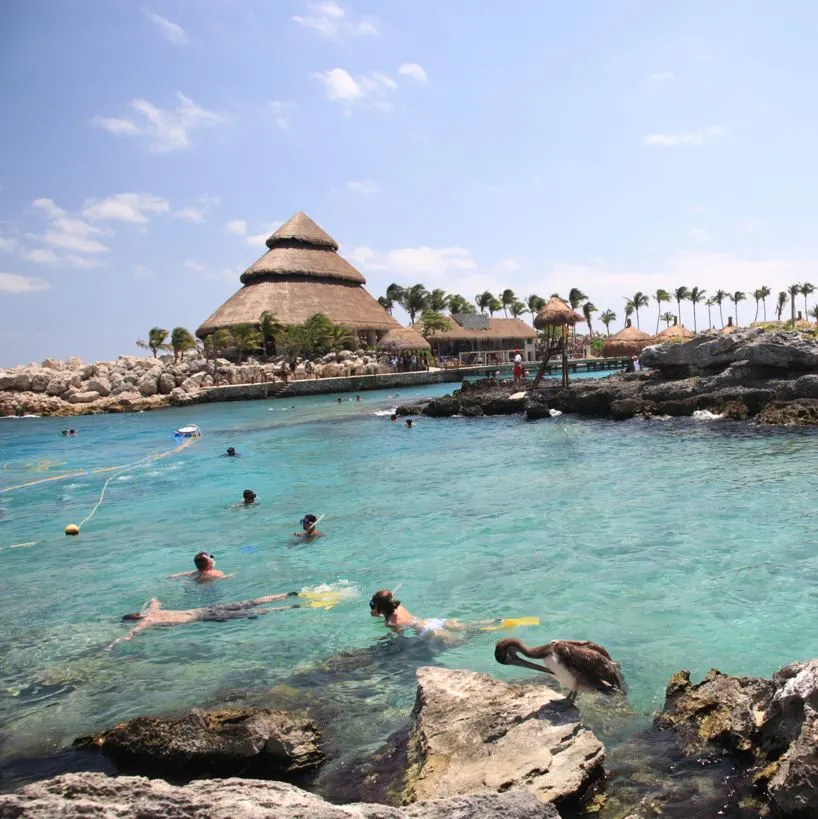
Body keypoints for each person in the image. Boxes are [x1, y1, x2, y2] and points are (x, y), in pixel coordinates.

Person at [111, 593, 300, 646]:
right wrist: (148, 601)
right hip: (208, 608)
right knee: (249, 603)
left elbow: (132, 634)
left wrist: (114, 643)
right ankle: (287, 595)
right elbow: (155, 599)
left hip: (206, 616)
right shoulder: (150, 612)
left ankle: (286, 607)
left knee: (249, 613)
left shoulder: (147, 622)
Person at [368, 589, 461, 638]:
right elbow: (391, 612)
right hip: (431, 622)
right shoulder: (399, 607)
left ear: (380, 608)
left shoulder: (390, 623)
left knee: (459, 640)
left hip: (427, 631)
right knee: (468, 629)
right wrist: (379, 612)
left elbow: (399, 636)